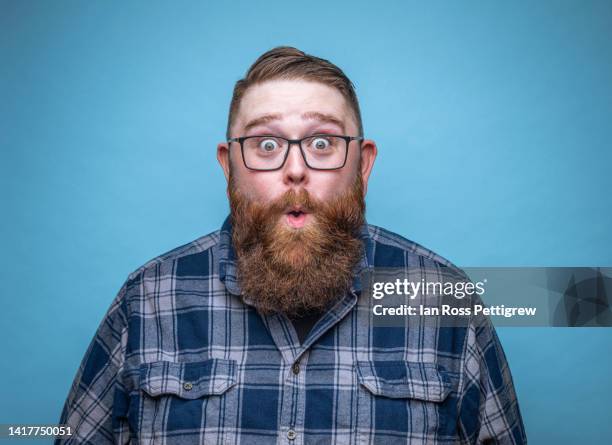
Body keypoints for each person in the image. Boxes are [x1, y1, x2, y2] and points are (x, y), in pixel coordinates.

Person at [56, 46, 527, 444]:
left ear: (362, 167)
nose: (295, 169)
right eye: (266, 145)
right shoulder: (147, 299)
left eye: (322, 143)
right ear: (229, 167)